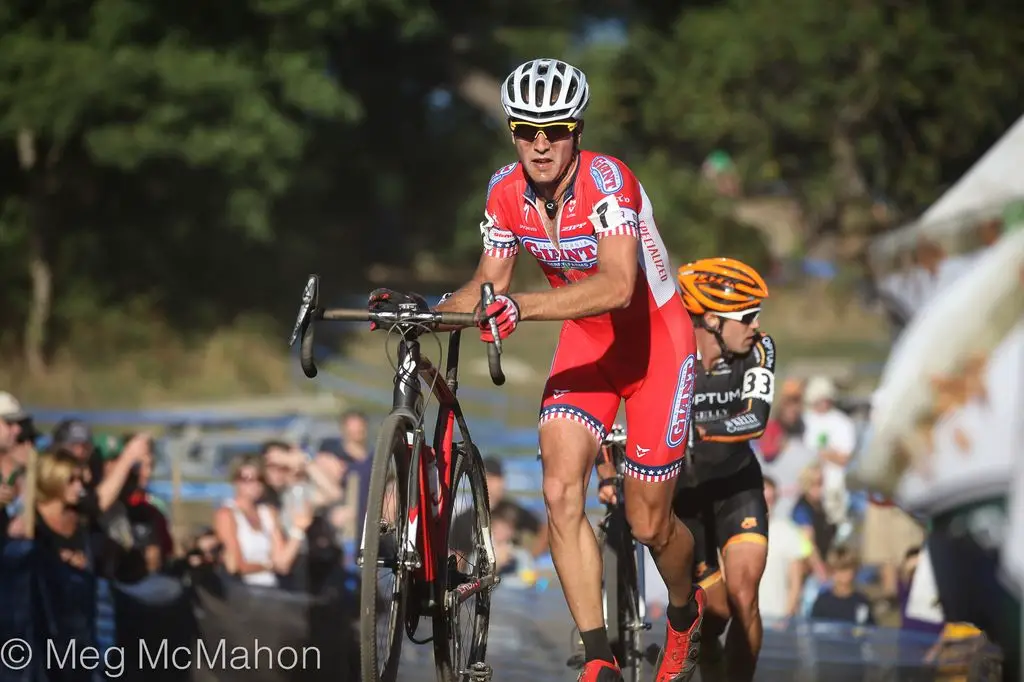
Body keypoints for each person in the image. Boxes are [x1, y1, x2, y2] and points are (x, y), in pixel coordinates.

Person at [369, 58, 704, 682]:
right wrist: (425, 315)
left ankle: (687, 613)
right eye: (526, 129)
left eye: (555, 128)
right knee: (558, 490)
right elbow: (486, 287)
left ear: (577, 131)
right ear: (513, 133)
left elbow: (615, 284)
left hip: (658, 344)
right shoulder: (504, 192)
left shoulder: (609, 182)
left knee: (648, 521)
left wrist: (522, 306)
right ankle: (599, 656)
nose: (541, 142)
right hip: (586, 345)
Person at [668, 257, 776, 682]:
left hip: (736, 485)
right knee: (716, 613)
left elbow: (755, 417)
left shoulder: (759, 349)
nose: (755, 326)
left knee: (744, 595)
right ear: (711, 319)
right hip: (686, 497)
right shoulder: (669, 353)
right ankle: (706, 653)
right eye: (747, 317)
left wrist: (698, 429)